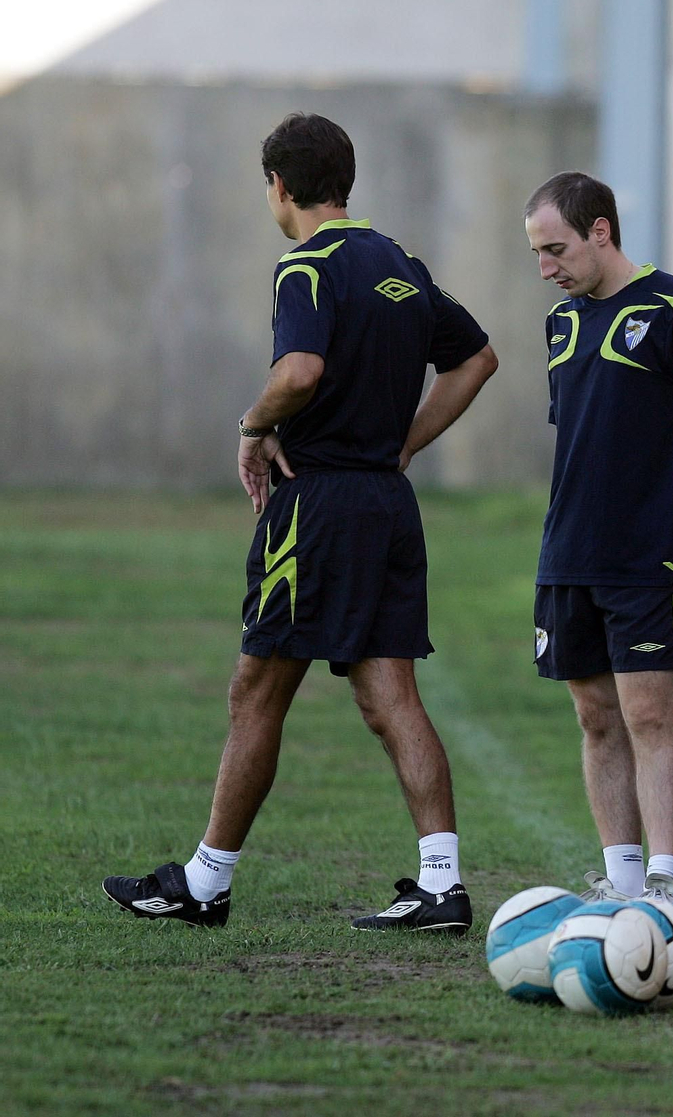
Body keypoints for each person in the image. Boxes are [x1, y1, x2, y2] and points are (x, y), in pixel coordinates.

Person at [103, 113, 499, 933]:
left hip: (315, 506)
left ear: (279, 187)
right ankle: (441, 885)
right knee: (390, 691)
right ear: (344, 181)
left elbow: (299, 371)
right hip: (388, 508)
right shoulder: (399, 263)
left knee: (258, 688)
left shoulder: (305, 266)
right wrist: (405, 445)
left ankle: (205, 884)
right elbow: (477, 359)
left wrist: (252, 427)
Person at [523, 171, 673, 909]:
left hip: (646, 552)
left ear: (601, 232)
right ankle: (618, 882)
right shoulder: (562, 325)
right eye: (536, 255)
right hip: (568, 551)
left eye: (555, 249)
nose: (546, 268)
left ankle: (663, 885)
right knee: (594, 716)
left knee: (649, 714)